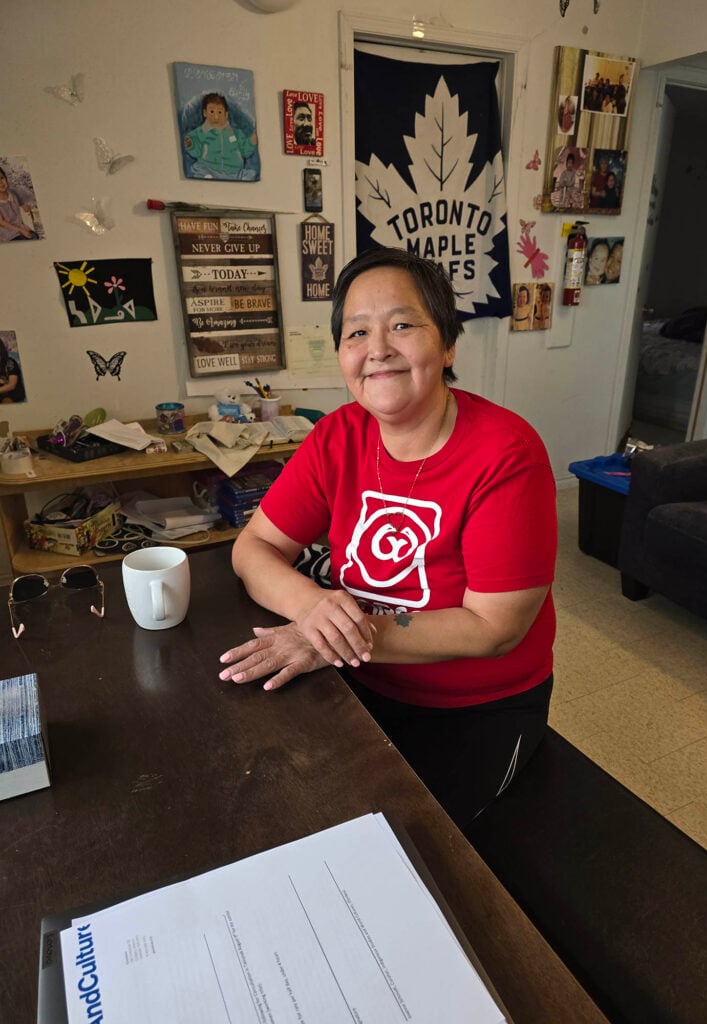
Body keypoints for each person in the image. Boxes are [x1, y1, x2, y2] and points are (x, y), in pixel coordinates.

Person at [218, 247, 557, 829]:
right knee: (270, 806)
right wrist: (314, 610)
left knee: (412, 850)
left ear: (448, 345)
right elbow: (253, 549)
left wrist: (336, 637)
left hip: (471, 708)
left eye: (402, 325)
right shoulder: (337, 434)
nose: (377, 348)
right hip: (356, 679)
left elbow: (494, 629)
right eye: (357, 332)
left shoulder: (506, 452)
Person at [184, 93, 259, 180]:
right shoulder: (200, 132)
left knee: (248, 174)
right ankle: (207, 178)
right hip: (209, 167)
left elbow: (245, 151)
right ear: (205, 113)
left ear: (226, 115)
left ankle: (242, 178)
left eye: (220, 112)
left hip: (233, 170)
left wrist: (252, 141)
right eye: (212, 111)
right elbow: (196, 152)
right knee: (199, 169)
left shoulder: (236, 133)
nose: (216, 116)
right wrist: (190, 145)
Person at [0, 168, 37, 241]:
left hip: (21, 228)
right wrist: (21, 230)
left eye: (1, 178)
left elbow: (20, 209)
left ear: (6, 178)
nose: (1, 183)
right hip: (7, 234)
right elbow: (2, 223)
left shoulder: (13, 195)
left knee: (35, 236)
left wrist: (24, 207)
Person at [0, 338, 25, 403]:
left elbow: (11, 385)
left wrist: (4, 382)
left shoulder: (9, 362)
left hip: (12, 393)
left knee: (6, 400)